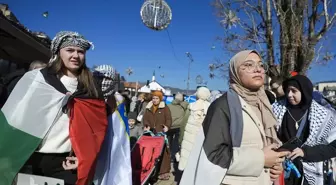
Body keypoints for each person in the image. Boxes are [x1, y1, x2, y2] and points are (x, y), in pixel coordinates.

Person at [0, 31, 107, 185]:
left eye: (80, 52)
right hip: (29, 156)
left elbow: (96, 129)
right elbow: (15, 116)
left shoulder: (90, 87)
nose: (75, 56)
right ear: (58, 52)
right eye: (70, 50)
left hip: (64, 161)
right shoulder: (38, 79)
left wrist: (82, 156)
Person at [180, 50, 289, 185]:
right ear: (235, 72)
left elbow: (265, 146)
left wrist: (275, 164)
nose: (257, 69)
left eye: (261, 65)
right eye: (249, 65)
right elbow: (214, 154)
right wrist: (261, 159)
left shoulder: (264, 105)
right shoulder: (223, 106)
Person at [273, 75, 336, 185]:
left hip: (311, 171)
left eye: (294, 91)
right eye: (287, 91)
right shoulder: (275, 109)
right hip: (281, 169)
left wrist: (305, 152)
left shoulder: (324, 116)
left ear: (304, 91)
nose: (289, 95)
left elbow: (333, 147)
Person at [178, 87, 211, 171]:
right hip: (204, 139)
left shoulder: (191, 106)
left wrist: (180, 139)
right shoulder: (211, 108)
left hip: (188, 138)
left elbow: (183, 124)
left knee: (187, 160)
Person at [143, 90, 172, 180]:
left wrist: (167, 126)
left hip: (160, 133)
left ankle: (163, 172)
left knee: (163, 153)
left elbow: (169, 119)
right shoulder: (149, 107)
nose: (155, 100)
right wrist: (146, 125)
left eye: (156, 98)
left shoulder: (165, 108)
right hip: (151, 134)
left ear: (160, 99)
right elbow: (145, 119)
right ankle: (151, 171)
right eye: (153, 98)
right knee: (151, 152)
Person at [167, 93, 189, 163]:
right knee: (177, 142)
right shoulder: (185, 106)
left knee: (169, 141)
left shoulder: (168, 106)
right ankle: (175, 156)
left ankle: (168, 155)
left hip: (169, 126)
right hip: (179, 126)